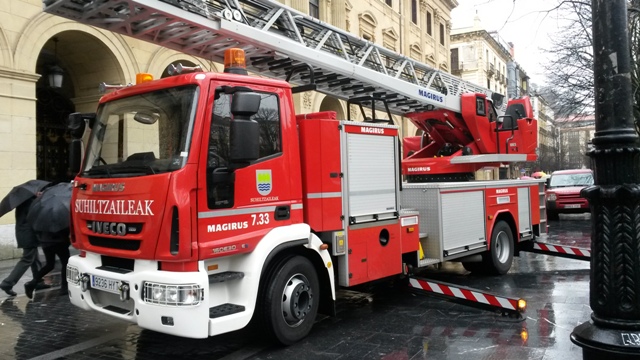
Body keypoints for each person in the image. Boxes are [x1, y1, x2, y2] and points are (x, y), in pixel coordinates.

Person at [0, 196, 47, 297]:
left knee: (35, 258)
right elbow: (35, 219)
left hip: (25, 234)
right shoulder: (31, 203)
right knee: (27, 259)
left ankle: (38, 281)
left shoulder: (24, 202)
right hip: (28, 235)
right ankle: (7, 283)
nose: (41, 193)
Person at [24, 228, 70, 299]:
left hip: (45, 242)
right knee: (65, 263)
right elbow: (65, 229)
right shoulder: (60, 218)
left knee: (50, 265)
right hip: (59, 241)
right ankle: (64, 287)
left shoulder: (42, 218)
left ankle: (32, 283)